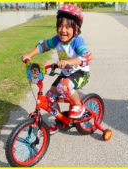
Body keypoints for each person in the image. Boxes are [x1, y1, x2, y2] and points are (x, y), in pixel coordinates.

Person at [22, 4, 92, 134]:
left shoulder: (78, 41)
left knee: (64, 87)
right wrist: (29, 55)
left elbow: (86, 55)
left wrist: (69, 62)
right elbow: (43, 46)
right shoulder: (57, 40)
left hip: (80, 73)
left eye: (67, 27)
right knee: (49, 97)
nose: (62, 30)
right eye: (60, 26)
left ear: (76, 29)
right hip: (66, 73)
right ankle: (60, 120)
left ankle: (78, 106)